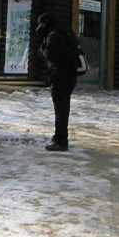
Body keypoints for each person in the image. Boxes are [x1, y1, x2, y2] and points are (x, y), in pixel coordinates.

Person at [37, 11, 84, 152]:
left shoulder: (53, 35)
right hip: (70, 75)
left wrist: (42, 48)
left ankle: (60, 140)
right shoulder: (67, 32)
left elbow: (50, 55)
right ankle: (60, 137)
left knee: (60, 109)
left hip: (59, 75)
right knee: (64, 108)